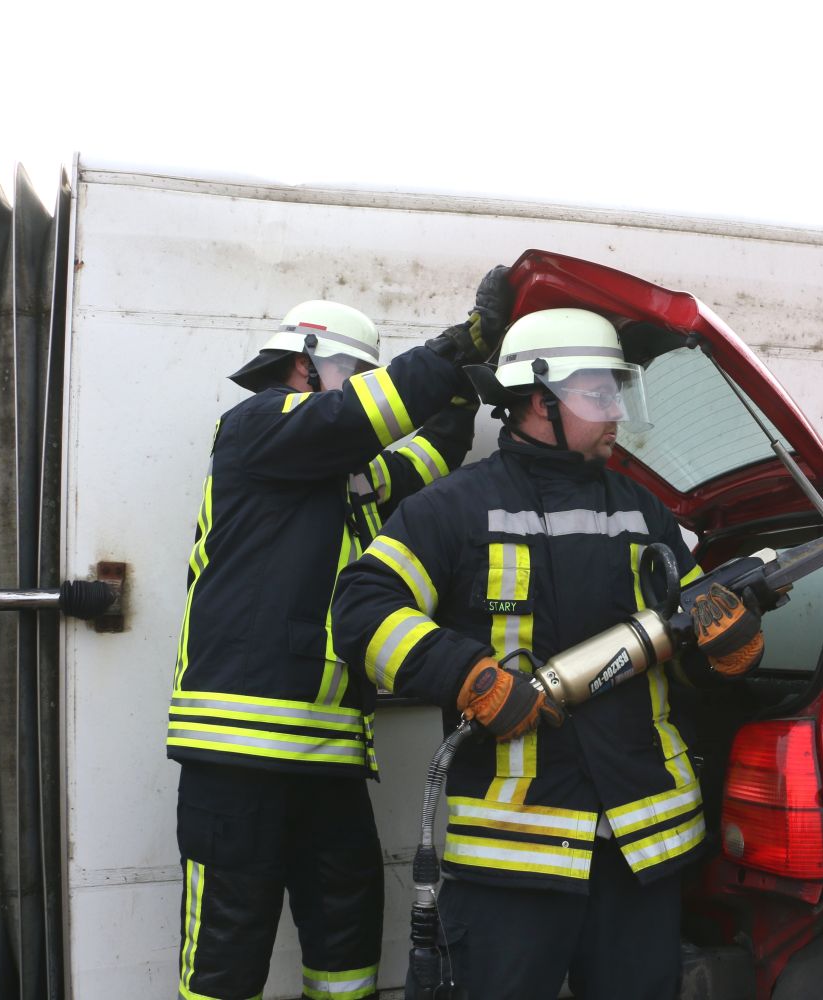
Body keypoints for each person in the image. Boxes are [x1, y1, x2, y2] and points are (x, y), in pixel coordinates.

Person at [330, 307, 764, 999]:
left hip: (640, 851)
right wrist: (468, 676)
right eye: (600, 393)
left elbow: (683, 647)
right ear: (540, 398)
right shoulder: (453, 509)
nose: (617, 411)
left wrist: (725, 650)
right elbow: (361, 609)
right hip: (511, 862)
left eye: (619, 392)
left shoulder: (644, 511)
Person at [167, 269, 512, 1000]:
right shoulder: (258, 427)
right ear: (304, 361)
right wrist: (456, 347)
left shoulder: (341, 479)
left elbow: (421, 462)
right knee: (224, 957)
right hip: (239, 754)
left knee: (349, 937)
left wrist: (459, 398)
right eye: (354, 373)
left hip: (326, 756)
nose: (365, 389)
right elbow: (357, 418)